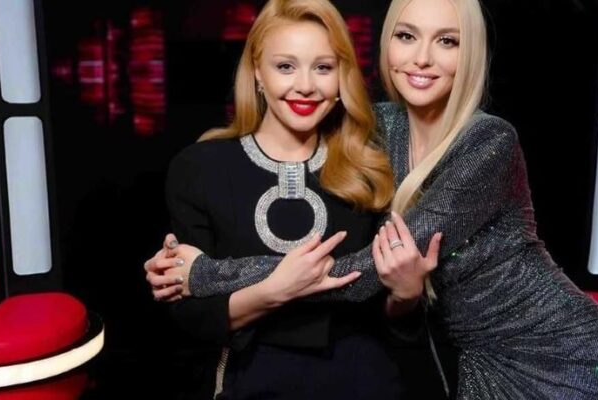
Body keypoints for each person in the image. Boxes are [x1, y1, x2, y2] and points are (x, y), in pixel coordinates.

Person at [150, 0, 598, 398]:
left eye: (447, 41)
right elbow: (294, 121)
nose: (421, 58)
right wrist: (175, 266)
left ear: (469, 54)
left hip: (567, 357)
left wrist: (208, 273)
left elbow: (367, 274)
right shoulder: (376, 132)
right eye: (407, 36)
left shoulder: (488, 142)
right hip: (469, 357)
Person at [145, 0, 442, 399]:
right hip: (253, 385)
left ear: (342, 76)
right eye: (285, 66)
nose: (305, 85)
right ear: (257, 72)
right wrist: (273, 291)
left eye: (323, 67)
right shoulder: (200, 168)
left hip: (366, 383)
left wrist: (406, 295)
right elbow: (188, 314)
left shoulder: (370, 164)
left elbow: (391, 320)